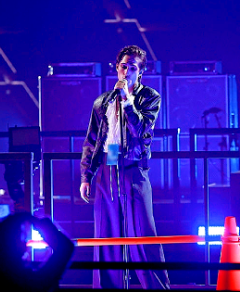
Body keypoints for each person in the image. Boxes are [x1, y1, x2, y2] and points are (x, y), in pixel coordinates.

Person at [80, 45, 170, 289]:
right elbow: (91, 140)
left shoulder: (149, 97)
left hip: (134, 167)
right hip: (108, 164)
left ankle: (156, 287)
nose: (126, 71)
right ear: (116, 67)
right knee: (107, 237)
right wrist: (86, 176)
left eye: (133, 67)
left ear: (140, 72)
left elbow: (142, 131)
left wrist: (127, 101)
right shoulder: (102, 101)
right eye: (123, 66)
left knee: (143, 234)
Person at [0, 213, 74, 292]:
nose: (24, 243)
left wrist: (6, 227)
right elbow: (65, 248)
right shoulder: (28, 282)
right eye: (21, 239)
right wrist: (40, 223)